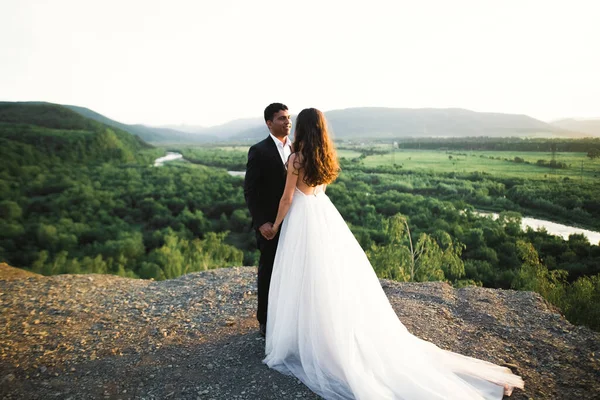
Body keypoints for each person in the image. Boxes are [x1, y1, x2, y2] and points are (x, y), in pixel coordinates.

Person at [263, 108, 524, 399]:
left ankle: (308, 338)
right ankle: (324, 333)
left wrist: (275, 225)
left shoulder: (296, 159)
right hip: (323, 217)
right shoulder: (324, 158)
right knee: (329, 279)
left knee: (303, 277)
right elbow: (318, 191)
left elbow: (288, 197)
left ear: (302, 129)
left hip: (302, 221)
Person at [244, 102, 292, 337]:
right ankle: (264, 320)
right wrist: (262, 222)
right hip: (270, 225)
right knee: (269, 269)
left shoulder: (296, 148)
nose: (287, 122)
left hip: (295, 221)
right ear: (269, 123)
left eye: (288, 117)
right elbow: (250, 191)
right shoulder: (259, 150)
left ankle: (288, 318)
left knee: (292, 270)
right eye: (282, 118)